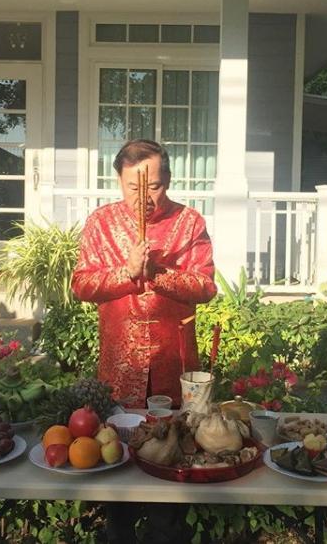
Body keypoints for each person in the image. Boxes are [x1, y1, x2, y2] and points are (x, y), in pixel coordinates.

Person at [71, 139, 217, 409]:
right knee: (119, 429)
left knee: (178, 429)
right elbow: (81, 284)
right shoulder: (101, 222)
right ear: (119, 180)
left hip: (174, 360)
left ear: (168, 181)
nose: (144, 198)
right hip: (121, 362)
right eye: (133, 187)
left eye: (153, 187)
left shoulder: (189, 222)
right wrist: (127, 272)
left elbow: (206, 287)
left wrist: (158, 274)